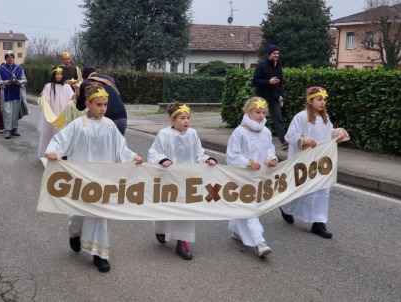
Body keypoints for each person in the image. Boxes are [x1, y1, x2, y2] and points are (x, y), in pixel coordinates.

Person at [45, 82, 144, 273]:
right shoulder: (77, 125)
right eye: (99, 105)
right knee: (78, 214)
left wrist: (132, 157)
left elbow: (120, 148)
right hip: (81, 180)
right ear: (88, 104)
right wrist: (53, 151)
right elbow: (60, 140)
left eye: (105, 105)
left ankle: (99, 254)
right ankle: (75, 234)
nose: (103, 109)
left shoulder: (109, 126)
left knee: (100, 216)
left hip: (103, 182)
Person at [147, 103, 216, 260]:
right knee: (167, 208)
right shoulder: (164, 134)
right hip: (169, 179)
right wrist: (162, 159)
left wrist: (206, 159)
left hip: (188, 180)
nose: (186, 121)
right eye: (182, 118)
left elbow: (198, 153)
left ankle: (182, 241)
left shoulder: (192, 134)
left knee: (186, 210)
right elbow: (154, 152)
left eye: (188, 118)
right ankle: (162, 229)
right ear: (172, 120)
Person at [279, 86, 348, 238]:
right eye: (319, 99)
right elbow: (290, 136)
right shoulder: (301, 117)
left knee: (322, 190)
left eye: (324, 99)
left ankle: (318, 223)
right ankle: (285, 206)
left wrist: (337, 133)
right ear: (310, 101)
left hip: (321, 161)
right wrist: (304, 140)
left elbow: (328, 133)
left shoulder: (325, 118)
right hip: (305, 162)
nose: (323, 102)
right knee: (300, 190)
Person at [226, 97, 277, 258]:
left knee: (247, 206)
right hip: (242, 176)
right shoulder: (240, 132)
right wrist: (246, 162)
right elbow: (232, 154)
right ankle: (259, 241)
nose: (261, 116)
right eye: (257, 112)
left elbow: (269, 148)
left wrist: (271, 158)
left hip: (259, 177)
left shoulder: (266, 132)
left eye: (263, 112)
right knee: (249, 207)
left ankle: (236, 229)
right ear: (248, 112)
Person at [252, 45, 287, 150]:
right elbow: (255, 81)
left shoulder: (279, 66)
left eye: (277, 53)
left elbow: (280, 83)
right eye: (274, 53)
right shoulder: (261, 66)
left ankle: (283, 141)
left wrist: (281, 95)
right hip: (262, 99)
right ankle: (257, 140)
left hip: (274, 98)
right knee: (260, 119)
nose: (276, 55)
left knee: (278, 119)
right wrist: (268, 82)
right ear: (269, 54)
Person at [76, 67, 128, 135]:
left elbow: (80, 107)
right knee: (117, 145)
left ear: (83, 77)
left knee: (101, 145)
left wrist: (77, 97)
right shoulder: (109, 79)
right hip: (122, 117)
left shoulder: (86, 83)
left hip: (105, 120)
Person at [37, 67, 74, 157]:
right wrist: (43, 98)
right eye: (57, 74)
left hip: (63, 115)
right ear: (54, 75)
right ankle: (47, 153)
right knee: (49, 134)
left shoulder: (67, 87)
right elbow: (44, 99)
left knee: (62, 134)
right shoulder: (48, 86)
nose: (59, 76)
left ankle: (61, 153)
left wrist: (76, 94)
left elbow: (72, 98)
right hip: (52, 115)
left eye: (60, 74)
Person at [0, 52, 27, 139]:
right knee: (7, 112)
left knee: (15, 112)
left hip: (16, 93)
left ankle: (14, 129)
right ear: (6, 59)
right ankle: (7, 130)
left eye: (11, 57)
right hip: (7, 93)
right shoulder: (1, 69)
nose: (10, 59)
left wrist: (19, 82)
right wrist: (5, 82)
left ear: (13, 58)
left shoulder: (19, 69)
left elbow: (24, 79)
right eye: (8, 57)